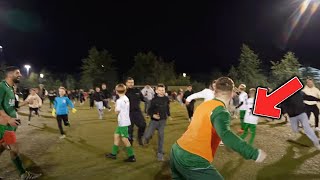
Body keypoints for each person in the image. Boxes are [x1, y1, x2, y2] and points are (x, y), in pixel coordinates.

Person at [170, 77, 267, 180]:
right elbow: (226, 135)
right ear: (231, 93)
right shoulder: (221, 111)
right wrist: (253, 153)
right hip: (192, 158)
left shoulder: (204, 105)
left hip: (176, 150)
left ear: (215, 90)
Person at [0, 66, 42, 179]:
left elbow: (14, 106)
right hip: (5, 126)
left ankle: (23, 174)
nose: (20, 75)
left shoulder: (11, 88)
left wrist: (26, 102)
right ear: (10, 74)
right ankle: (23, 174)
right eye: (17, 73)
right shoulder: (1, 87)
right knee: (14, 150)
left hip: (10, 124)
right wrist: (8, 119)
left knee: (3, 147)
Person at [105, 84, 136, 162]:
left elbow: (116, 112)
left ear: (116, 91)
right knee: (116, 136)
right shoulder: (126, 98)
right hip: (123, 121)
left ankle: (131, 156)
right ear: (125, 91)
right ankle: (113, 154)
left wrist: (115, 106)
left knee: (125, 139)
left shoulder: (119, 100)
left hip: (123, 122)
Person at [142, 84, 170, 161]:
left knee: (161, 136)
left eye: (163, 90)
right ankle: (147, 138)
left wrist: (169, 115)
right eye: (160, 90)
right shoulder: (153, 100)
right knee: (147, 136)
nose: (162, 91)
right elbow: (149, 110)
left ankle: (160, 153)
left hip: (162, 121)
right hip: (154, 121)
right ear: (156, 91)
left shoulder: (166, 98)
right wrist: (153, 115)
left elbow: (167, 107)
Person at [125, 77, 146, 146]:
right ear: (126, 83)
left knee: (143, 125)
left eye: (132, 82)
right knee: (130, 129)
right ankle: (130, 143)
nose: (131, 84)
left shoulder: (137, 90)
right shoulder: (124, 92)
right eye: (129, 82)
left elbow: (143, 99)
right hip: (128, 113)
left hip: (137, 112)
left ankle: (140, 137)